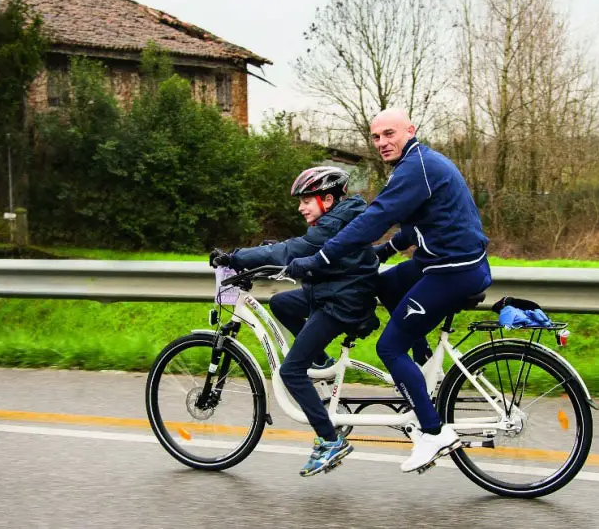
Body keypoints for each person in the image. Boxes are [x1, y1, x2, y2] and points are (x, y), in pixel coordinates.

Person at [285, 109, 492, 473]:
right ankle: (424, 362)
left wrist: (321, 257)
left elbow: (374, 218)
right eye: (376, 136)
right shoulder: (420, 164)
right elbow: (416, 225)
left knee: (389, 346)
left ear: (410, 131)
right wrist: (386, 251)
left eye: (389, 134)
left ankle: (432, 433)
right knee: (382, 284)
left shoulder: (417, 168)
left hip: (451, 272)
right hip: (449, 263)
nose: (382, 142)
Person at [209, 166, 379, 477]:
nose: (301, 207)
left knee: (291, 371)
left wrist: (236, 258)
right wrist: (267, 254)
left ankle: (330, 442)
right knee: (281, 302)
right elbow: (297, 248)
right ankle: (323, 364)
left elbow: (295, 249)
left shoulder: (335, 223)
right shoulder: (339, 217)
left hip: (341, 302)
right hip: (332, 292)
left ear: (327, 199)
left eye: (306, 200)